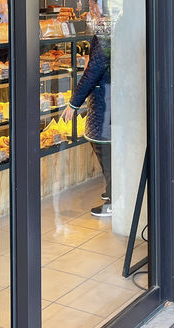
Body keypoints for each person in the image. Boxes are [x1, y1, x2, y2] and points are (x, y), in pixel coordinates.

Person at [62, 31, 112, 217]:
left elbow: (94, 70)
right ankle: (113, 192)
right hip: (112, 96)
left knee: (105, 147)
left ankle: (116, 199)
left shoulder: (105, 34)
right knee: (108, 146)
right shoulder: (117, 29)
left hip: (105, 99)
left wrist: (74, 103)